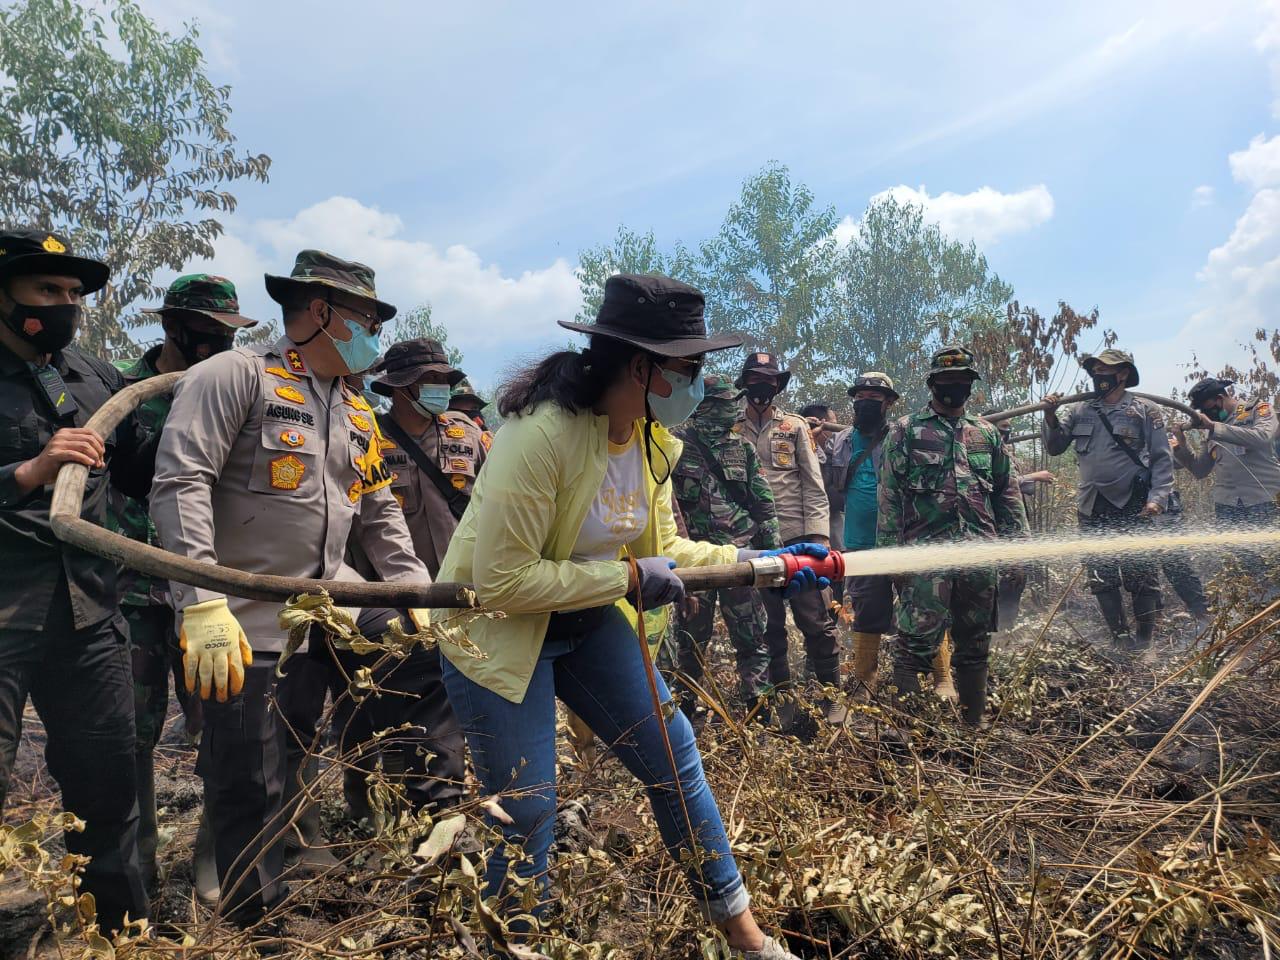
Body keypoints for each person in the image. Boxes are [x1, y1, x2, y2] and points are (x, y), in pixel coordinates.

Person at [434, 274, 828, 960]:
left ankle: (746, 939)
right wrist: (624, 578)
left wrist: (759, 559)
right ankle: (515, 945)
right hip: (496, 629)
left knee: (674, 759)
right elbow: (501, 581)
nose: (699, 384)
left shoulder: (650, 441)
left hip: (584, 618)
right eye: (690, 368)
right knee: (527, 805)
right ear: (643, 367)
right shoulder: (540, 436)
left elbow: (663, 551)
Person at [150, 250, 456, 926]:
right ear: (320, 312)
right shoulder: (235, 376)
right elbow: (180, 483)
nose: (373, 334)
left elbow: (378, 511)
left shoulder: (353, 408)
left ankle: (436, 832)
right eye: (366, 319)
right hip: (242, 612)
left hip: (330, 603)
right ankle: (256, 920)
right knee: (250, 771)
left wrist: (413, 590)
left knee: (424, 660)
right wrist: (201, 603)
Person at [0, 228, 154, 930]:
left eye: (73, 293)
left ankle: (118, 933)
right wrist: (26, 472)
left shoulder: (94, 376)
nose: (65, 304)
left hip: (90, 613)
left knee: (108, 785)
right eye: (46, 290)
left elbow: (145, 469)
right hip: (5, 612)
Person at [108, 274, 258, 891]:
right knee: (132, 733)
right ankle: (138, 869)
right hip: (134, 589)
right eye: (205, 329)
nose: (218, 341)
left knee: (224, 719)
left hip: (207, 587)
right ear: (171, 326)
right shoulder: (119, 388)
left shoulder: (234, 389)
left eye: (228, 332)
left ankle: (213, 859)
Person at [879, 346, 1028, 728]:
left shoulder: (986, 433)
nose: (954, 386)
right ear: (932, 384)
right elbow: (890, 497)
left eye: (962, 380)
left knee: (975, 644)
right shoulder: (906, 431)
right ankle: (905, 735)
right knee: (914, 646)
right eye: (947, 380)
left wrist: (1018, 551)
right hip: (925, 558)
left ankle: (972, 726)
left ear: (970, 384)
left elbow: (1007, 494)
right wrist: (890, 557)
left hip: (979, 556)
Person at [826, 372, 956, 698]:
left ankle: (942, 678)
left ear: (889, 402)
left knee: (924, 607)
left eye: (874, 397)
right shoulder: (839, 441)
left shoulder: (906, 435)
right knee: (867, 611)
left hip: (907, 539)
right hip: (860, 543)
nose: (865, 402)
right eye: (860, 397)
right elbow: (825, 485)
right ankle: (864, 680)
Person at [1043, 349, 1173, 651]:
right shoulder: (1079, 410)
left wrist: (1157, 499)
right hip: (1092, 504)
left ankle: (1145, 642)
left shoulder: (1145, 410)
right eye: (1096, 370)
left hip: (1133, 504)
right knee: (1101, 573)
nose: (1099, 375)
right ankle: (1119, 637)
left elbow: (1162, 459)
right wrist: (1049, 415)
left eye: (1106, 369)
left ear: (1123, 374)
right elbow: (1054, 447)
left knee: (1140, 573)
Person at [672, 374, 780, 719]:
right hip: (695, 561)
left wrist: (776, 554)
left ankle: (759, 707)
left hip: (740, 558)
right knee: (690, 639)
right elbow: (667, 508)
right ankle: (684, 706)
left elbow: (763, 504)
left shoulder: (742, 448)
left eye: (734, 403)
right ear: (704, 406)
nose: (734, 409)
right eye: (726, 403)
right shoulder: (675, 447)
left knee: (752, 637)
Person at [735, 353, 840, 707]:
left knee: (816, 620)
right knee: (768, 627)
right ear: (744, 384)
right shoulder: (730, 428)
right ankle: (784, 703)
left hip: (797, 536)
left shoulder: (794, 427)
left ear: (778, 385)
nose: (761, 387)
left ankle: (831, 699)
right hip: (754, 544)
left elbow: (813, 485)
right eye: (755, 380)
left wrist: (819, 539)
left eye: (769, 381)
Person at [1172, 377, 1280, 525]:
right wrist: (1181, 445)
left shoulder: (1258, 409)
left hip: (1264, 501)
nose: (1206, 413)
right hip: (1227, 506)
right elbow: (1200, 470)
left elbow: (1263, 437)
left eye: (1207, 409)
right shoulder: (1212, 428)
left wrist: (1214, 427)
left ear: (1220, 398)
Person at [993, 421, 1056, 628]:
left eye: (1007, 432)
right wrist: (1034, 476)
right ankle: (998, 630)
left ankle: (1005, 629)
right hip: (997, 527)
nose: (1005, 437)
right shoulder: (979, 451)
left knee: (1017, 576)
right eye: (1000, 432)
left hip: (1014, 526)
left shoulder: (1005, 452)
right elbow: (996, 482)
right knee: (1008, 577)